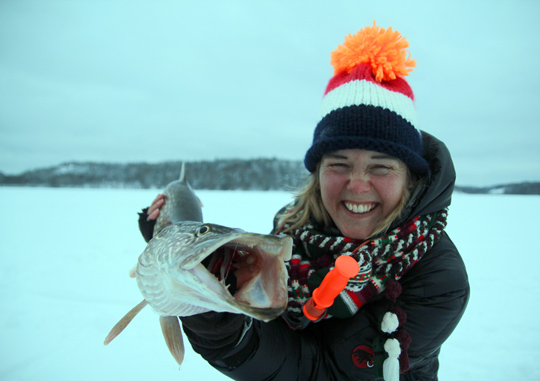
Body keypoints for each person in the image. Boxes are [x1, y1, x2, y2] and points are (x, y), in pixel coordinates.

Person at [139, 23, 469, 380]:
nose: (357, 186)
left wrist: (219, 326)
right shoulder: (292, 229)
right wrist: (175, 245)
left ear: (410, 178)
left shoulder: (437, 277)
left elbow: (318, 370)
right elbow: (265, 313)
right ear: (317, 174)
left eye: (381, 167)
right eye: (339, 164)